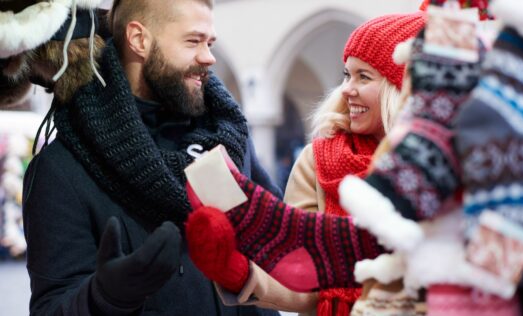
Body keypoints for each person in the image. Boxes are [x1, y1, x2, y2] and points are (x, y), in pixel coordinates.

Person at [22, 0, 281, 315]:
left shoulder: (230, 142)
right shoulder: (61, 169)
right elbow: (52, 307)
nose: (209, 57)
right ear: (139, 40)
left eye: (210, 42)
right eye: (193, 41)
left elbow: (277, 253)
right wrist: (105, 297)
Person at [185, 11, 426, 316]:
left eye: (363, 76)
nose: (347, 89)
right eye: (346, 75)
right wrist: (244, 276)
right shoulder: (318, 160)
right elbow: (302, 275)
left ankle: (254, 214)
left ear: (402, 87)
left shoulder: (446, 165)